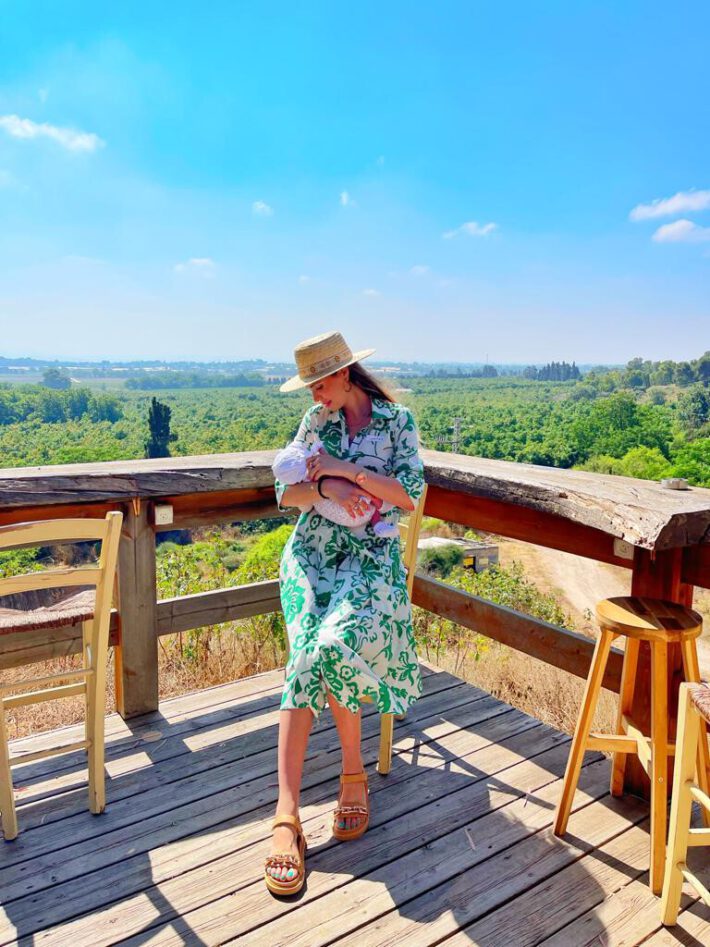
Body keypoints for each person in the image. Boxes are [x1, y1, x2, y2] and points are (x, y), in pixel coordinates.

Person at [264, 330, 425, 897]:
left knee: (331, 644)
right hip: (310, 554)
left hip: (372, 559)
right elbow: (286, 494)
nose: (314, 397)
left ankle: (352, 773)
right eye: (308, 386)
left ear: (346, 374)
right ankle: (287, 813)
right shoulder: (315, 424)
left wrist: (342, 470)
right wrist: (326, 480)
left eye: (319, 384)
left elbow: (407, 494)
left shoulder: (396, 422)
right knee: (308, 651)